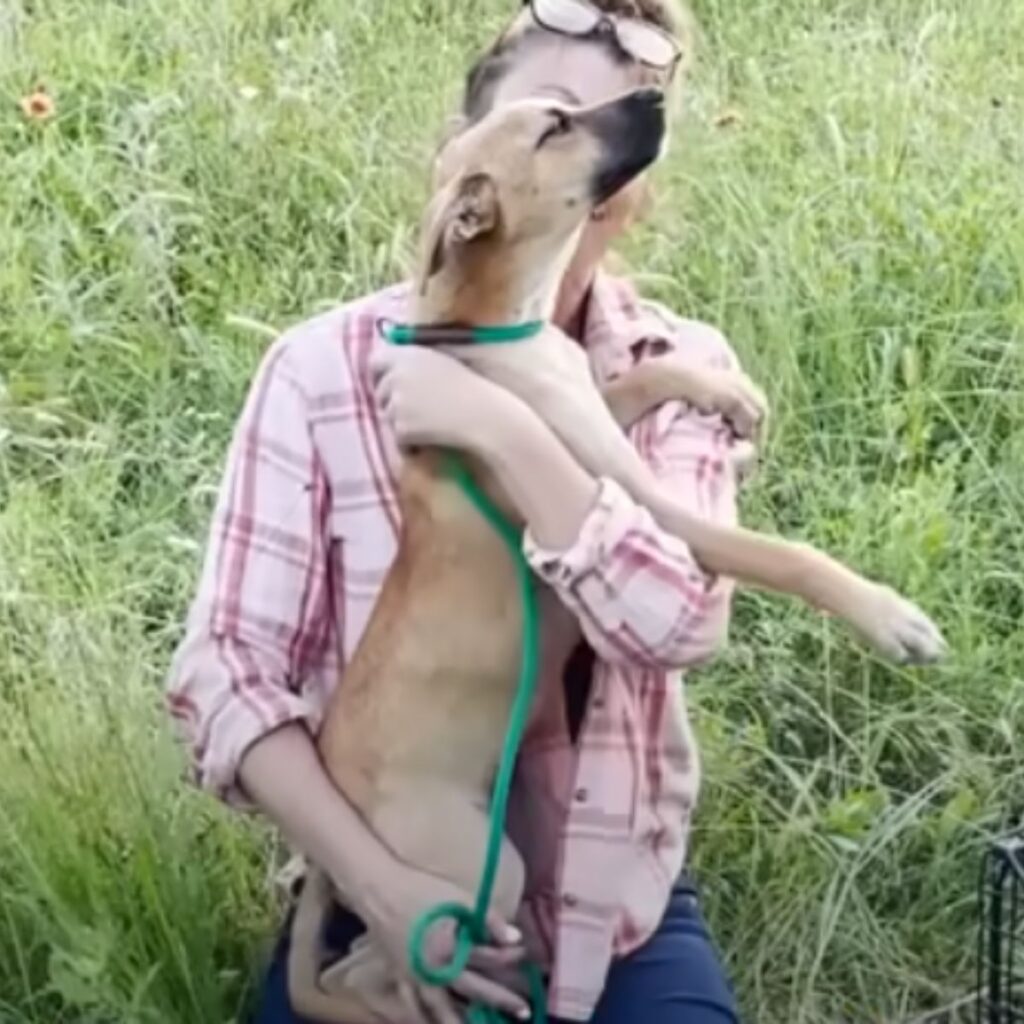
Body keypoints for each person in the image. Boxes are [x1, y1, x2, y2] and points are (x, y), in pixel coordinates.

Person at [166, 1, 755, 1021]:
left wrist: (508, 433)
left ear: (627, 194)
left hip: (609, 912)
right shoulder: (320, 371)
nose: (598, 137)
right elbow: (224, 673)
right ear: (465, 160)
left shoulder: (674, 367)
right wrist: (384, 893)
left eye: (620, 123)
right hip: (382, 883)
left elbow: (678, 624)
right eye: (555, 116)